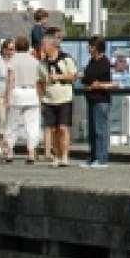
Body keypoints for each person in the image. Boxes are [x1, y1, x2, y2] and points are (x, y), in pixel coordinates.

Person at [38, 34, 78, 167]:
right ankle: (56, 155)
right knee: (53, 129)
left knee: (63, 128)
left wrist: (59, 76)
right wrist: (41, 99)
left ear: (51, 45)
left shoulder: (66, 59)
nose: (42, 48)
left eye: (44, 45)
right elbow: (41, 82)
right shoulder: (42, 63)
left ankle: (65, 155)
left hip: (64, 97)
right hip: (49, 99)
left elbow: (73, 76)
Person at [6, 35, 43, 164]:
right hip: (32, 92)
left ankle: (10, 150)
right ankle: (31, 152)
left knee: (12, 123)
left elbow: (11, 79)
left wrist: (8, 97)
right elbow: (38, 80)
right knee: (32, 125)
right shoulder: (34, 61)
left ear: (16, 47)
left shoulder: (13, 60)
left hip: (17, 92)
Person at [81, 35, 115, 168]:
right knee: (92, 130)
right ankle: (92, 157)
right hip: (91, 98)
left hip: (101, 100)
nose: (88, 48)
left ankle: (102, 159)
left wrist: (96, 84)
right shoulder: (92, 61)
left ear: (96, 48)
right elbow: (87, 78)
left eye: (90, 46)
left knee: (101, 130)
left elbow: (101, 80)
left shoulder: (104, 62)